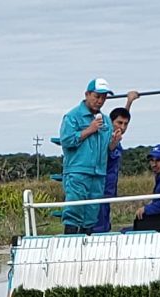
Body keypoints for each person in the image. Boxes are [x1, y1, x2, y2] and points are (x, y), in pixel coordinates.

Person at [56, 79, 138, 233]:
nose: (100, 101)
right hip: (78, 172)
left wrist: (113, 143)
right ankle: (69, 248)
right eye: (97, 96)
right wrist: (89, 129)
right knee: (74, 213)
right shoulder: (72, 116)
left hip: (99, 174)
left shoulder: (106, 120)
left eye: (104, 97)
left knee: (92, 216)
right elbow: (66, 141)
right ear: (87, 94)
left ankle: (88, 250)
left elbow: (107, 149)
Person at [96, 108, 132, 232]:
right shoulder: (106, 137)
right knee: (98, 227)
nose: (122, 127)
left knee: (105, 223)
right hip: (99, 189)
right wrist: (113, 144)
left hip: (108, 190)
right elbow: (108, 151)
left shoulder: (117, 137)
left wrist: (129, 102)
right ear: (110, 122)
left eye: (125, 124)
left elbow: (123, 114)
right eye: (119, 123)